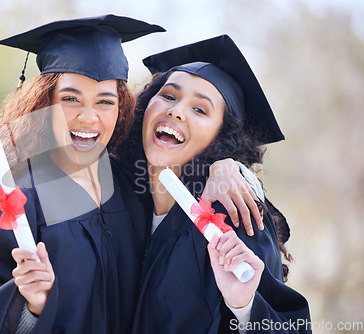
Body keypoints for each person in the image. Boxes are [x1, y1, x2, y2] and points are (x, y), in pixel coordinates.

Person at [0, 15, 265, 333]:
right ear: (44, 102)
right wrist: (30, 309)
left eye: (104, 101)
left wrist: (229, 166)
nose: (89, 118)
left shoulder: (131, 184)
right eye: (71, 98)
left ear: (122, 107)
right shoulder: (25, 195)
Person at [117, 35, 312, 333]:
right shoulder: (124, 202)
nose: (177, 110)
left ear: (221, 138)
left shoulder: (231, 214)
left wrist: (245, 307)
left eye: (200, 109)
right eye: (169, 96)